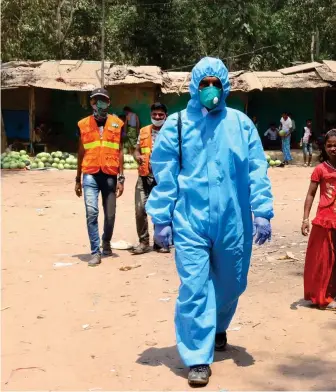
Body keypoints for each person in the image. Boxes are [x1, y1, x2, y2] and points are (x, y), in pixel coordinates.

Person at [146, 57, 274, 387]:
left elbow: (257, 169)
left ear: (226, 86)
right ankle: (197, 357)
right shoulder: (176, 124)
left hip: (233, 220)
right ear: (194, 86)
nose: (211, 89)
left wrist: (261, 210)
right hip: (190, 219)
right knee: (194, 287)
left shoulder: (241, 124)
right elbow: (165, 172)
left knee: (232, 281)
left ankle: (217, 324)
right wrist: (161, 216)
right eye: (205, 84)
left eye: (217, 83)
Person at [301, 129, 336, 311]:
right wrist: (305, 218)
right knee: (325, 259)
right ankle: (323, 297)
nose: (333, 148)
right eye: (329, 145)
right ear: (324, 147)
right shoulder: (320, 169)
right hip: (325, 219)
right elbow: (311, 194)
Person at [75, 88, 125, 267]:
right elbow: (81, 151)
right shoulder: (82, 124)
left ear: (109, 103)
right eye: (96, 100)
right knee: (91, 212)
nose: (99, 104)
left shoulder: (118, 123)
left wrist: (121, 178)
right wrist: (77, 178)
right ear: (91, 103)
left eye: (103, 100)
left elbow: (120, 151)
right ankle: (95, 252)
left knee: (110, 215)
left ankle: (106, 242)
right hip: (90, 173)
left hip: (110, 174)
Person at [130, 102, 169, 255]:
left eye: (160, 115)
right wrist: (137, 156)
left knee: (160, 210)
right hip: (144, 175)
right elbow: (136, 150)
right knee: (140, 210)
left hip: (163, 178)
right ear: (151, 115)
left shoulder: (170, 131)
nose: (157, 117)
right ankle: (143, 242)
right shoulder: (144, 130)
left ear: (165, 116)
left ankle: (160, 242)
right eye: (155, 114)